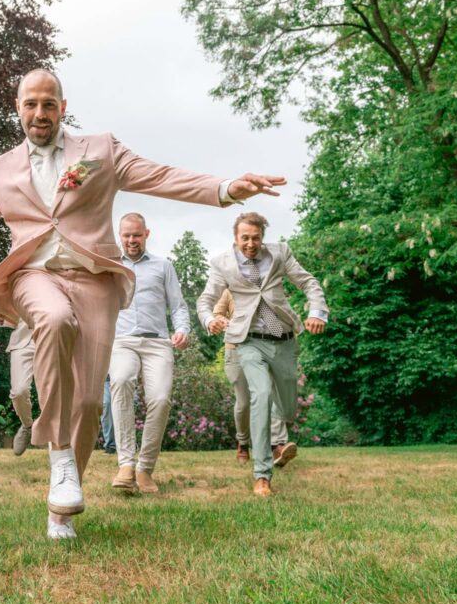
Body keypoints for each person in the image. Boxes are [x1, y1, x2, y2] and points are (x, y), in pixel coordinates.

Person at [0, 68, 286, 539]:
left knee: (91, 401)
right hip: (35, 276)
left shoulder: (99, 151)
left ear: (63, 107)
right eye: (31, 104)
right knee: (53, 319)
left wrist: (224, 189)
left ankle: (60, 511)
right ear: (18, 107)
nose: (40, 113)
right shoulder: (0, 169)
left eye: (49, 104)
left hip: (95, 279)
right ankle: (59, 455)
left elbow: (159, 176)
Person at [197, 212, 327, 497]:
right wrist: (210, 320)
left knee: (287, 407)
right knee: (260, 394)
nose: (250, 244)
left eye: (255, 238)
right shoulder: (222, 263)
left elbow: (308, 282)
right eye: (245, 238)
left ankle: (280, 430)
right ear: (235, 238)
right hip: (248, 341)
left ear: (262, 237)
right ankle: (262, 475)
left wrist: (317, 312)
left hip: (283, 339)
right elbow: (206, 300)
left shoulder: (280, 253)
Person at [108, 213, 190, 494]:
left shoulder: (163, 266)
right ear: (120, 236)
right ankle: (125, 465)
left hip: (158, 343)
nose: (132, 240)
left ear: (146, 234)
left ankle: (144, 469)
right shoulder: (111, 266)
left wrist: (182, 330)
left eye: (137, 235)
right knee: (121, 381)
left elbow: (178, 306)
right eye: (127, 235)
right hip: (122, 341)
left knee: (161, 399)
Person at [213, 289, 295, 467]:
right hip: (237, 348)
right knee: (244, 402)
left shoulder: (272, 286)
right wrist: (225, 322)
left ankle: (277, 446)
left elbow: (284, 313)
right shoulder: (230, 289)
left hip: (269, 347)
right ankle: (243, 443)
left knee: (272, 394)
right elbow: (217, 314)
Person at [5, 319, 37, 455]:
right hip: (23, 339)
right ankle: (27, 425)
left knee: (53, 393)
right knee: (19, 391)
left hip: (55, 338)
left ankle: (58, 445)